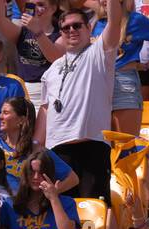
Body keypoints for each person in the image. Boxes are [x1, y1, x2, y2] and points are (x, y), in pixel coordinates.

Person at [40, 3, 123, 201]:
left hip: (91, 148)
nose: (71, 30)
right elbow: (45, 110)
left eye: (77, 25)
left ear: (89, 28)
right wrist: (37, 146)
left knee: (95, 213)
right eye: (66, 28)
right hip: (58, 151)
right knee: (63, 213)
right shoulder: (51, 70)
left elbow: (115, 21)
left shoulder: (99, 54)